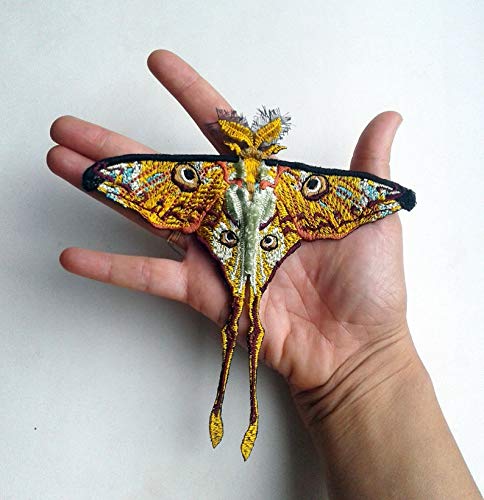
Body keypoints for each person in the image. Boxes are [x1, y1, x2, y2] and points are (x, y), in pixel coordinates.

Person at [47, 50, 480, 498]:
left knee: (244, 316)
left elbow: (363, 198)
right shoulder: (222, 179)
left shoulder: (287, 185)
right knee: (242, 315)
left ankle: (240, 409)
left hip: (274, 234)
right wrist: (365, 371)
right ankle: (234, 407)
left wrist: (379, 199)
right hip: (228, 230)